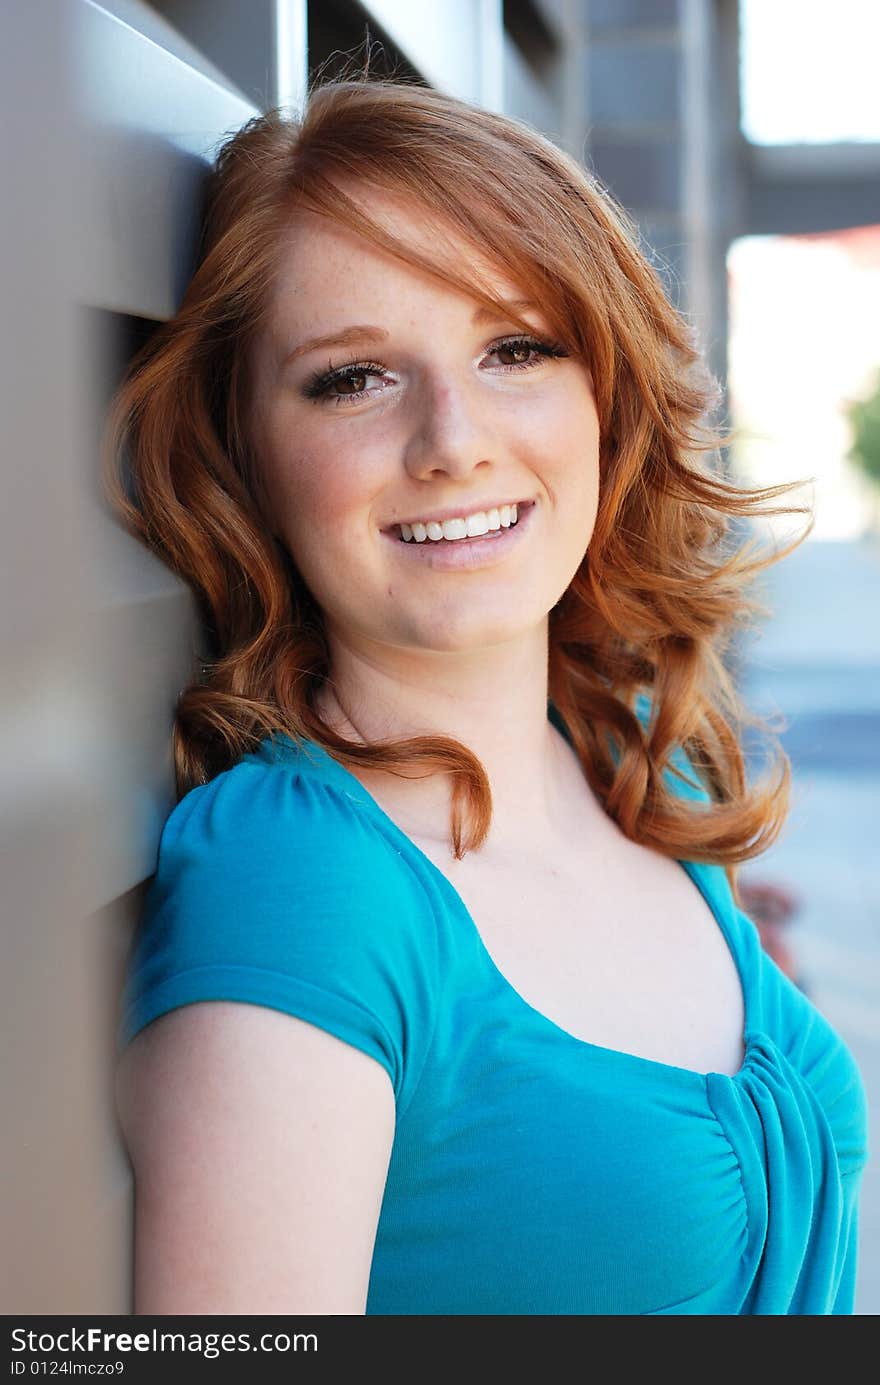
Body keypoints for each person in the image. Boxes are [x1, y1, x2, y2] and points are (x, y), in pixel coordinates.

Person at [106, 76, 868, 1316]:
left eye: (516, 348)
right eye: (352, 377)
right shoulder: (306, 890)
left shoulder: (631, 757)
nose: (451, 438)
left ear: (604, 397)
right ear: (242, 446)